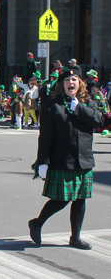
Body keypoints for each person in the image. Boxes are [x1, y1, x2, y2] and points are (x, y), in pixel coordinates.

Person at [29, 69, 103, 250]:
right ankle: (37, 223)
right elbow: (45, 136)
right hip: (62, 159)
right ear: (62, 85)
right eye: (67, 80)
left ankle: (75, 237)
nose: (71, 83)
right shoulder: (51, 105)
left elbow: (99, 121)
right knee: (61, 200)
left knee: (80, 199)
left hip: (83, 160)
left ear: (80, 84)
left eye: (75, 80)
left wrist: (78, 109)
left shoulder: (88, 104)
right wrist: (43, 162)